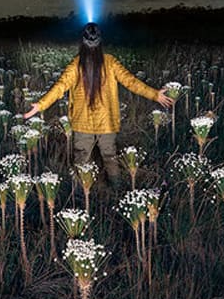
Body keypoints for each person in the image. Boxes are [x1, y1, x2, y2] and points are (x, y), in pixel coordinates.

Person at [22, 22, 173, 187]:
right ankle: (116, 191)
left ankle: (81, 195)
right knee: (110, 157)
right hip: (107, 122)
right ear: (100, 41)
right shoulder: (110, 62)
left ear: (82, 42)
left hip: (82, 123)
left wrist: (40, 105)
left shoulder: (76, 65)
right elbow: (131, 82)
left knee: (81, 159)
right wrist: (155, 94)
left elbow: (60, 87)